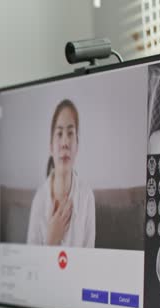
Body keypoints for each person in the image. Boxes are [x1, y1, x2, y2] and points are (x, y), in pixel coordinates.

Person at [26, 99, 95, 247]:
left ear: (77, 145)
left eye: (70, 133)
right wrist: (51, 240)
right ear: (51, 147)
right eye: (59, 134)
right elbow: (31, 265)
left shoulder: (87, 196)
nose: (65, 142)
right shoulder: (39, 199)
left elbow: (90, 260)